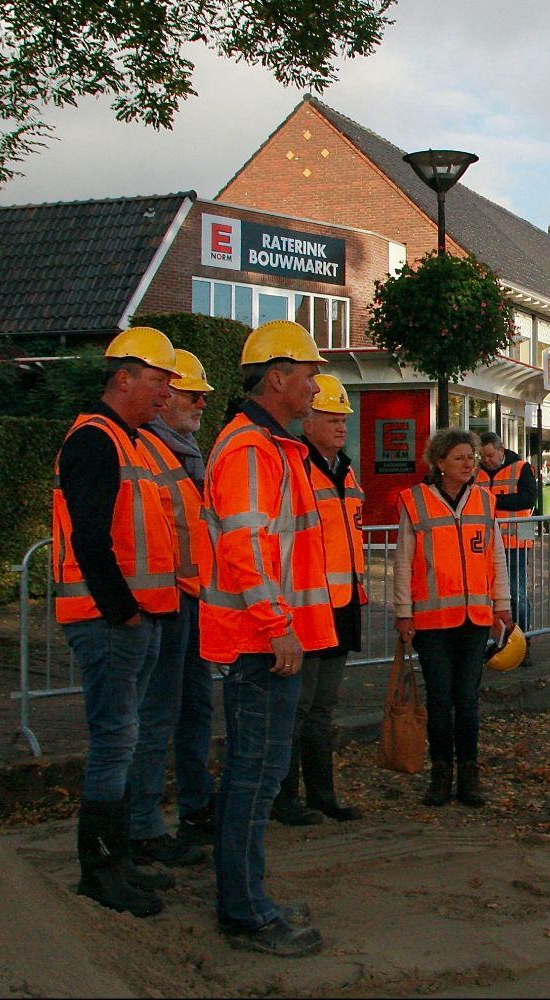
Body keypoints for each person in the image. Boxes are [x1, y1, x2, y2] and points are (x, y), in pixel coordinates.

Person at [201, 320, 335, 957]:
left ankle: (248, 898)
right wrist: (278, 624)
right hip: (260, 643)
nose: (316, 386)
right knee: (254, 776)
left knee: (258, 773)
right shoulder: (253, 449)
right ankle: (246, 913)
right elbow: (245, 545)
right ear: (276, 378)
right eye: (308, 375)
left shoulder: (269, 445)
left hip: (267, 640)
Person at [52, 326, 182, 918]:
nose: (165, 394)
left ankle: (118, 859)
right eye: (158, 382)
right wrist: (124, 611)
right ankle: (100, 872)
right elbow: (89, 538)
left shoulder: (127, 441)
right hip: (111, 622)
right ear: (123, 378)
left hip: (130, 620)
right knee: (115, 741)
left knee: (123, 742)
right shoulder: (97, 441)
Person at [128, 348, 217, 868]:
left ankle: (195, 805)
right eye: (191, 394)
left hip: (190, 598)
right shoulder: (150, 452)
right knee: (157, 715)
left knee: (194, 710)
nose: (200, 403)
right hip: (164, 603)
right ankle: (142, 824)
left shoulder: (186, 451)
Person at [394, 428, 513, 809]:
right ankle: (440, 775)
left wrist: (502, 604)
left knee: (467, 700)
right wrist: (402, 612)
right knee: (440, 700)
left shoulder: (484, 501)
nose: (468, 464)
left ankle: (469, 776)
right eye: (460, 457)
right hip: (431, 621)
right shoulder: (414, 502)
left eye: (472, 457)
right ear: (440, 462)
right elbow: (402, 562)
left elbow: (496, 556)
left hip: (474, 618)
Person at [272, 375, 366, 826]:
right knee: (299, 705)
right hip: (307, 606)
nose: (341, 426)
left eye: (343, 419)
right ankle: (285, 796)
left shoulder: (344, 469)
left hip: (341, 604)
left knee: (323, 707)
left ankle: (321, 793)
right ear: (307, 422)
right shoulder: (294, 466)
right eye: (331, 418)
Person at [475, 431, 539, 632]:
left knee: (516, 593)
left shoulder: (522, 468)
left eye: (490, 456)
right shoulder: (476, 472)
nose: (486, 460)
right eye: (482, 457)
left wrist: (492, 501)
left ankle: (522, 638)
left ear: (501, 450)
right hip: (483, 543)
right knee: (485, 594)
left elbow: (528, 499)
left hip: (515, 542)